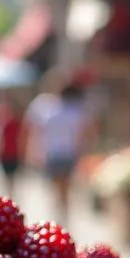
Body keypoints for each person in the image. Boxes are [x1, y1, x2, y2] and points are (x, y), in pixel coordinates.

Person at [26, 79, 90, 222]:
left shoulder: (48, 109)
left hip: (55, 154)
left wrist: (33, 152)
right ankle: (64, 216)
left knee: (57, 190)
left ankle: (61, 216)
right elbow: (81, 135)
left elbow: (37, 131)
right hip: (67, 154)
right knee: (65, 190)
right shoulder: (74, 110)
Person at [0, 98, 26, 195]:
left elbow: (1, 140)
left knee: (8, 176)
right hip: (12, 153)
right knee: (12, 176)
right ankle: (11, 191)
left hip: (8, 153)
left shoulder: (9, 124)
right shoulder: (17, 124)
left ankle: (10, 191)